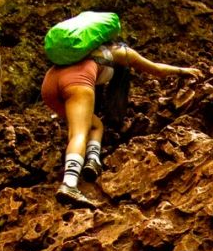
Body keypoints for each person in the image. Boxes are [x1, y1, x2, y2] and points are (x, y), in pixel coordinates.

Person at [41, 33, 199, 206]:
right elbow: (156, 70)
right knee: (79, 132)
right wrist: (184, 71)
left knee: (95, 126)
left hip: (50, 84)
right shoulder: (119, 52)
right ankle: (69, 184)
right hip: (77, 83)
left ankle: (93, 161)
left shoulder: (78, 53)